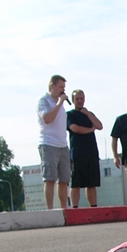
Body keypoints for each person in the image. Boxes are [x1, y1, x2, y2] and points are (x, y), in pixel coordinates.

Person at [37, 75, 70, 209]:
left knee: (64, 180)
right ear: (52, 86)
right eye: (61, 87)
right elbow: (47, 118)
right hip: (49, 144)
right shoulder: (44, 101)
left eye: (64, 87)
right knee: (50, 179)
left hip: (63, 145)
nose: (63, 90)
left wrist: (60, 103)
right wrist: (59, 103)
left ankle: (64, 209)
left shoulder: (60, 104)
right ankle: (50, 210)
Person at [67, 89, 103, 208]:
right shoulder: (70, 115)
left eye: (81, 98)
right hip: (77, 154)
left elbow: (99, 126)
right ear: (73, 101)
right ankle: (75, 208)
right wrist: (90, 130)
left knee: (91, 183)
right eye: (77, 99)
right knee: (75, 183)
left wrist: (87, 114)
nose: (79, 101)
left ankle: (93, 207)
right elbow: (74, 128)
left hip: (91, 153)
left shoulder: (89, 114)